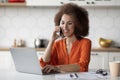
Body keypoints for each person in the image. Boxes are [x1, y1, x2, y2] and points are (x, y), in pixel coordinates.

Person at [40, 3, 91, 73]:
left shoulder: (85, 42)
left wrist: (57, 68)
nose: (65, 27)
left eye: (69, 23)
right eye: (62, 23)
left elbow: (83, 66)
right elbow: (44, 63)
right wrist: (52, 40)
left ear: (78, 25)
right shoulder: (57, 44)